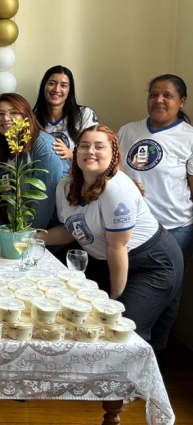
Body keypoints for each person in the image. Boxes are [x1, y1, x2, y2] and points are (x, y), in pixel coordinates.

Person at [40, 125, 183, 350]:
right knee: (81, 322)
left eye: (99, 146)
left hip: (149, 263)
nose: (90, 152)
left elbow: (118, 247)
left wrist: (114, 298)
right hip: (108, 261)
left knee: (118, 331)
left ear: (113, 152)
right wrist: (31, 237)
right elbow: (71, 231)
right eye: (84, 146)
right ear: (75, 152)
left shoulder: (116, 189)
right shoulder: (65, 186)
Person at [117, 74, 193, 272]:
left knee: (168, 288)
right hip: (132, 225)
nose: (159, 100)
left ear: (181, 101)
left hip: (174, 228)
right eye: (154, 95)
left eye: (167, 95)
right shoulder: (127, 131)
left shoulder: (189, 137)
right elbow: (113, 172)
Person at [0, 93, 66, 230]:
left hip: (40, 237)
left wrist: (29, 238)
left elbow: (45, 201)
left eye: (14, 112)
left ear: (26, 116)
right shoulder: (4, 145)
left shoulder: (43, 145)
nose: (6, 118)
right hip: (13, 231)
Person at [33, 65, 98, 160]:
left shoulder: (84, 114)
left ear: (69, 90)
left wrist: (70, 153)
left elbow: (95, 150)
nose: (56, 89)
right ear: (44, 86)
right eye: (51, 83)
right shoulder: (32, 118)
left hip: (76, 174)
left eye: (63, 85)